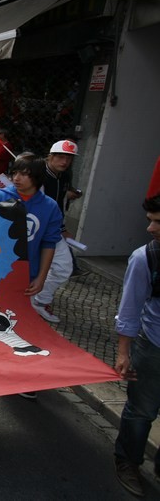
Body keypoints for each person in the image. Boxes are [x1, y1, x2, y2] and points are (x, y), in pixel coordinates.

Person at [112, 195, 160, 498]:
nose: (150, 229)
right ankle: (128, 461)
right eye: (150, 221)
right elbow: (129, 310)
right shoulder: (145, 258)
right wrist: (123, 352)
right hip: (153, 347)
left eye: (158, 222)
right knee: (141, 411)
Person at [0, 154, 62, 325]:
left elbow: (49, 244)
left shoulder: (50, 207)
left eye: (24, 174)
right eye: (14, 173)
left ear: (37, 177)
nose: (16, 178)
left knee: (17, 321)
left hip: (25, 274)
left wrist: (41, 277)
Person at [32, 139, 85, 318]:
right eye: (60, 157)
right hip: (33, 229)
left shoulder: (65, 175)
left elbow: (60, 202)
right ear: (50, 156)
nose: (65, 161)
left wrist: (62, 228)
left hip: (52, 230)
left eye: (69, 158)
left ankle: (40, 301)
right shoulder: (38, 174)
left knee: (63, 267)